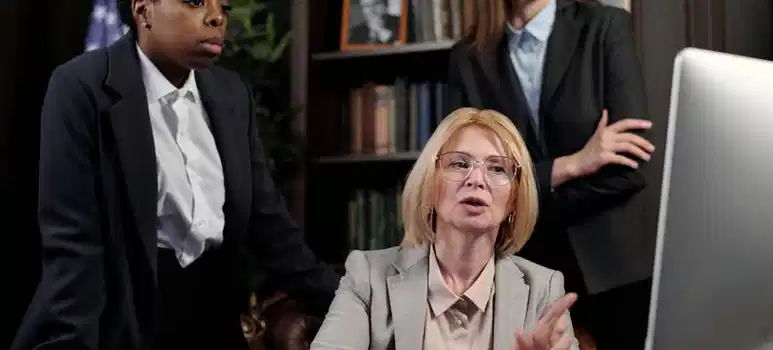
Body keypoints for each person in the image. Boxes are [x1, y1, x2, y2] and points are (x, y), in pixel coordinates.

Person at [11, 0, 339, 349]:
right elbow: (74, 251)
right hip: (121, 330)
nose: (216, 17)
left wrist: (358, 305)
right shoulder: (81, 87)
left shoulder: (232, 94)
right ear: (142, 10)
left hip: (215, 326)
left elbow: (273, 232)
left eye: (224, 7)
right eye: (196, 2)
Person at [446, 0, 657, 348]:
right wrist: (574, 164)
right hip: (525, 274)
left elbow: (628, 169)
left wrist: (527, 195)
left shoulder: (604, 26)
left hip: (617, 271)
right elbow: (468, 178)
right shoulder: (468, 57)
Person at [311, 108, 580, 350]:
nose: (476, 180)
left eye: (497, 168)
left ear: (514, 199)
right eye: (459, 164)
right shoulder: (368, 278)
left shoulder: (542, 290)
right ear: (430, 184)